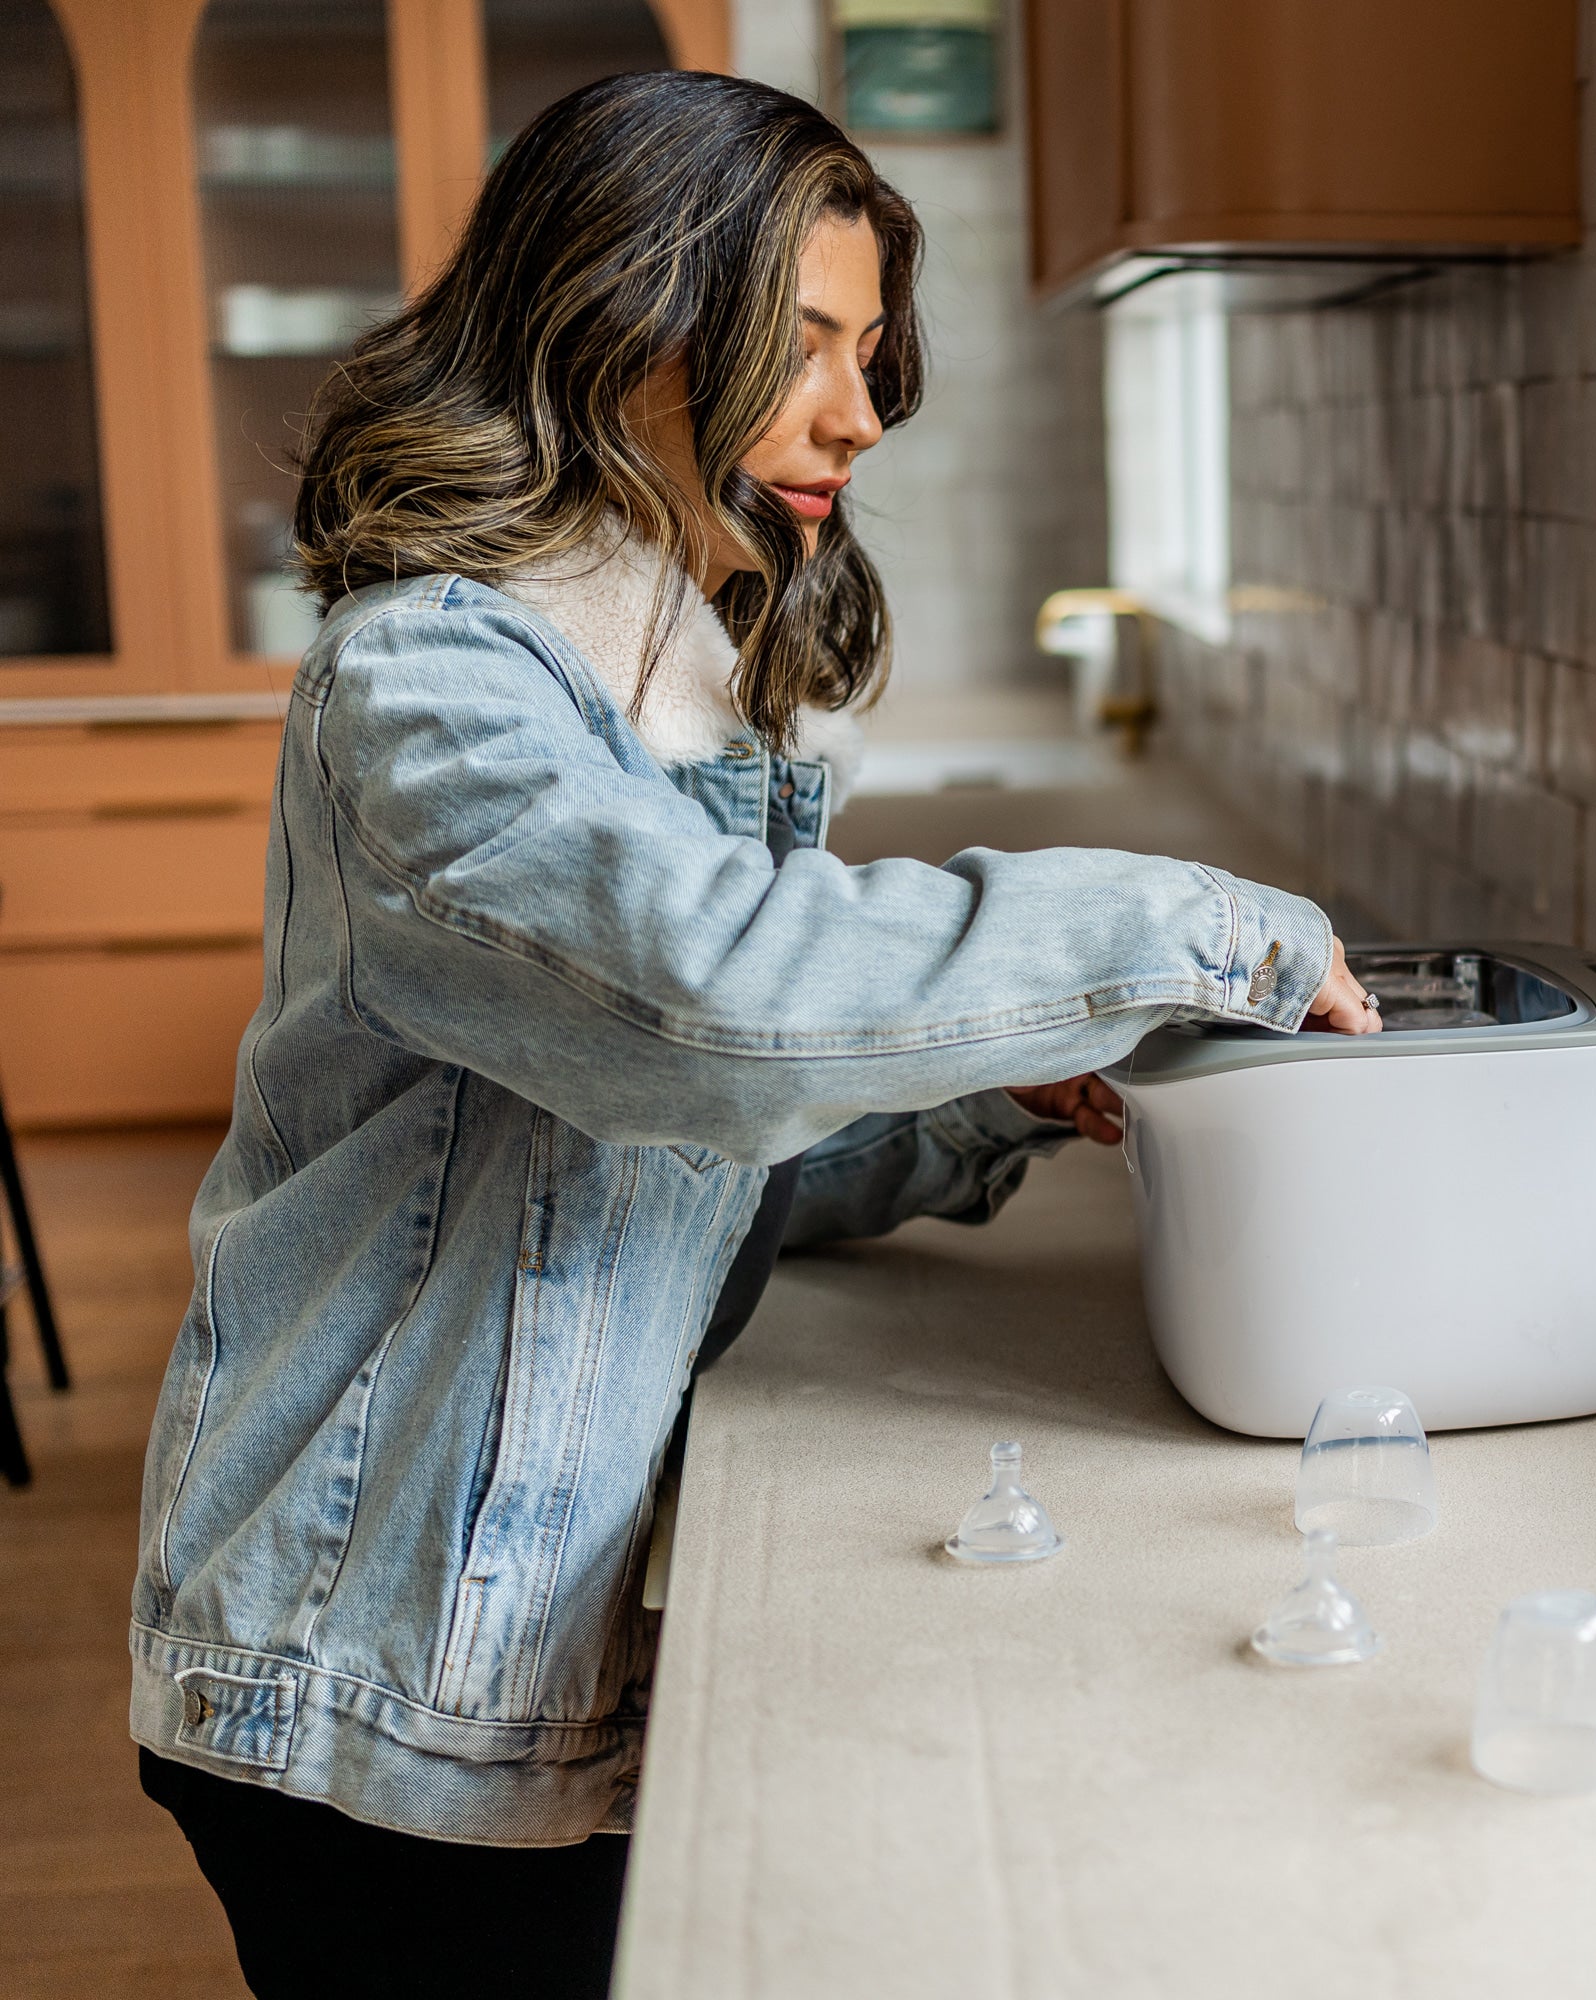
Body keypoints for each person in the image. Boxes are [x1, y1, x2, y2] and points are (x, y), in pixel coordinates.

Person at [127, 69, 1376, 1998]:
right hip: (351, 1658)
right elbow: (713, 1015)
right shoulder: (434, 683)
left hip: (488, 1632)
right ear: (620, 320)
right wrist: (1194, 928)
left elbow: (639, 1151)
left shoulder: (670, 682)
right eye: (799, 348)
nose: (857, 416)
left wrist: (980, 1095)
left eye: (871, 354)